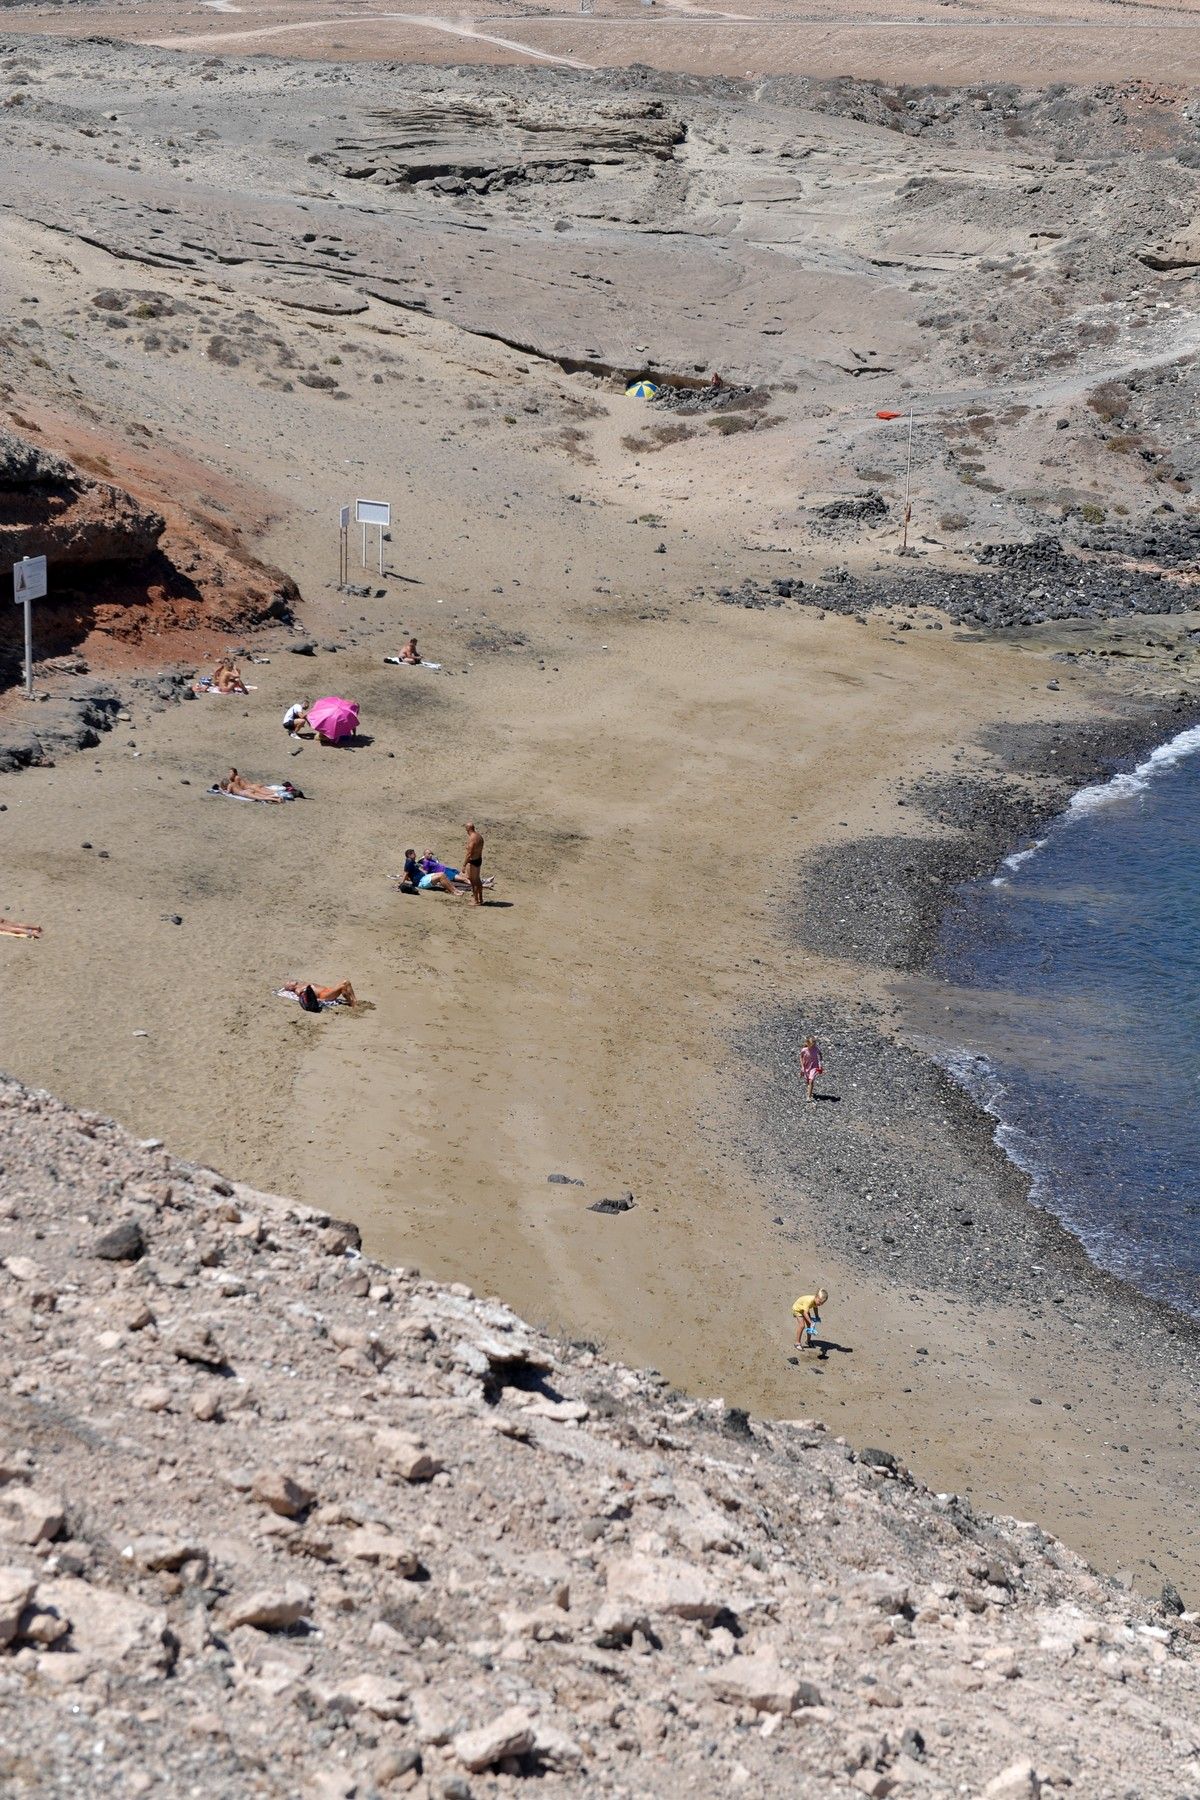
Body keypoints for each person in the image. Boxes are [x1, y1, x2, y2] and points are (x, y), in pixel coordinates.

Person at [219, 768, 297, 803]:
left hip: (249, 789)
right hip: (250, 788)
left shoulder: (235, 779)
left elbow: (228, 792)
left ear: (235, 773)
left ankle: (279, 797)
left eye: (230, 773)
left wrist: (222, 789)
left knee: (265, 795)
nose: (229, 774)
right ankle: (279, 796)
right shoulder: (235, 780)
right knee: (266, 793)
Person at [282, 979, 357, 1008]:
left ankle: (351, 1002)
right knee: (345, 983)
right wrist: (317, 1000)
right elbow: (305, 996)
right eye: (288, 982)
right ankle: (354, 1001)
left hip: (327, 990)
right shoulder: (298, 990)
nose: (290, 980)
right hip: (324, 995)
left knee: (344, 987)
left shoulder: (301, 984)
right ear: (290, 988)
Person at [463, 820, 484, 906]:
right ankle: (481, 898)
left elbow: (469, 854)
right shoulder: (479, 836)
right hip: (478, 859)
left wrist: (464, 865)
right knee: (477, 879)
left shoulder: (472, 838)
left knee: (473, 881)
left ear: (468, 829)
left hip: (473, 861)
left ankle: (476, 900)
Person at [799, 1035, 824, 1102]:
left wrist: (820, 1063)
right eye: (812, 1044)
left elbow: (820, 1054)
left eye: (814, 1044)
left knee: (811, 1080)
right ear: (808, 1043)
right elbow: (801, 1057)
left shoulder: (816, 1048)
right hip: (807, 1066)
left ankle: (809, 1097)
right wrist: (802, 1066)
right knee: (808, 1080)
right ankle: (810, 1090)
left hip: (814, 1066)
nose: (813, 1045)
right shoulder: (804, 1050)